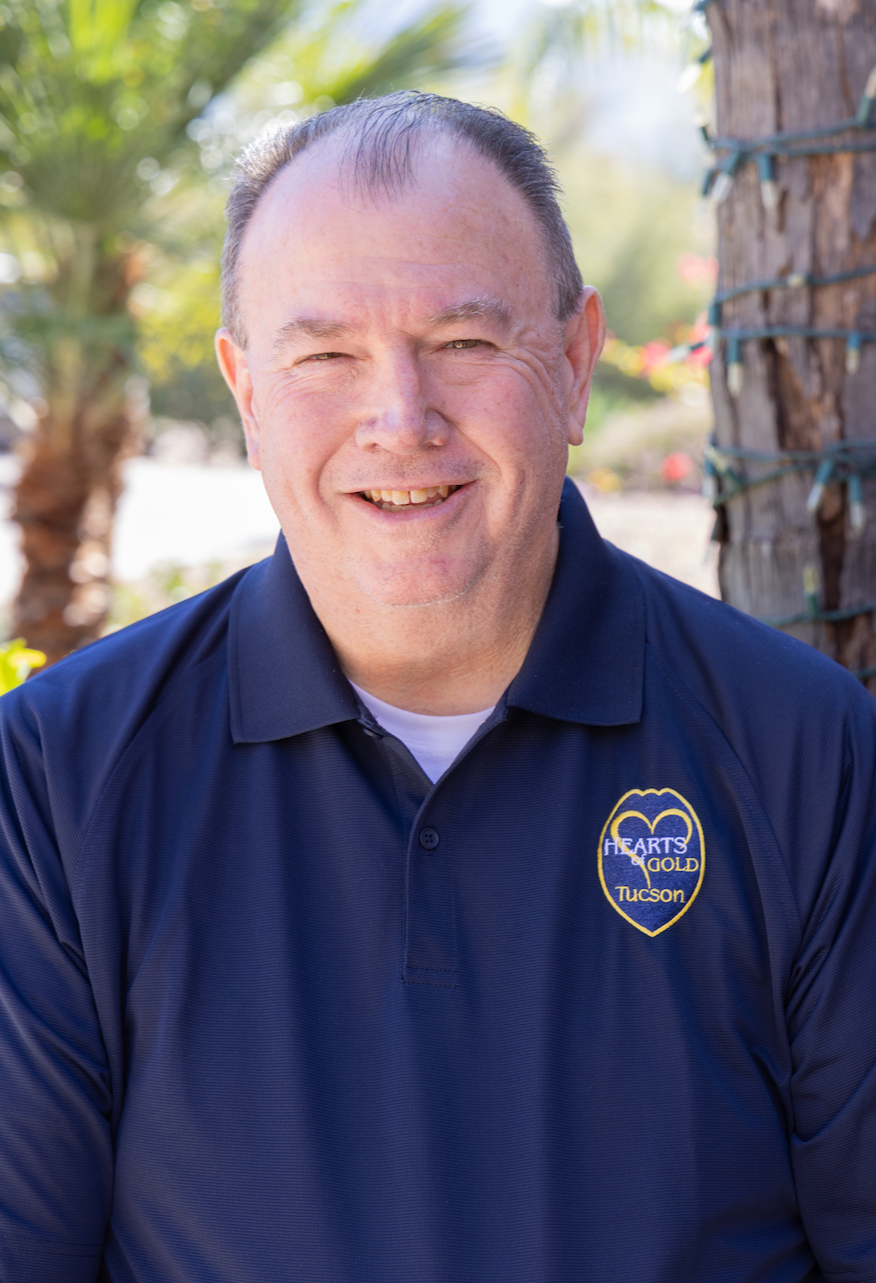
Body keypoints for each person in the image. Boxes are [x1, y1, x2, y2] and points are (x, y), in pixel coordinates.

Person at [1, 91, 875, 1283]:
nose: (400, 419)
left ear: (573, 363)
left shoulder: (811, 753)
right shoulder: (57, 775)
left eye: (463, 344)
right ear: (247, 392)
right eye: (326, 355)